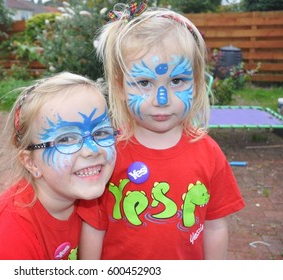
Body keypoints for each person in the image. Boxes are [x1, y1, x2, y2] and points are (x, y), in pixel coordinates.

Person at [78, 2, 245, 260]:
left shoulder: (209, 153)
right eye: (144, 82)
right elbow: (94, 226)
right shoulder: (108, 153)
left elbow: (215, 226)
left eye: (177, 81)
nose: (162, 99)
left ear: (197, 83)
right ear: (120, 87)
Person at [0, 72, 118, 260]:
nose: (92, 149)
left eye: (101, 132)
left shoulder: (90, 197)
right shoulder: (9, 238)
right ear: (31, 162)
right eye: (66, 139)